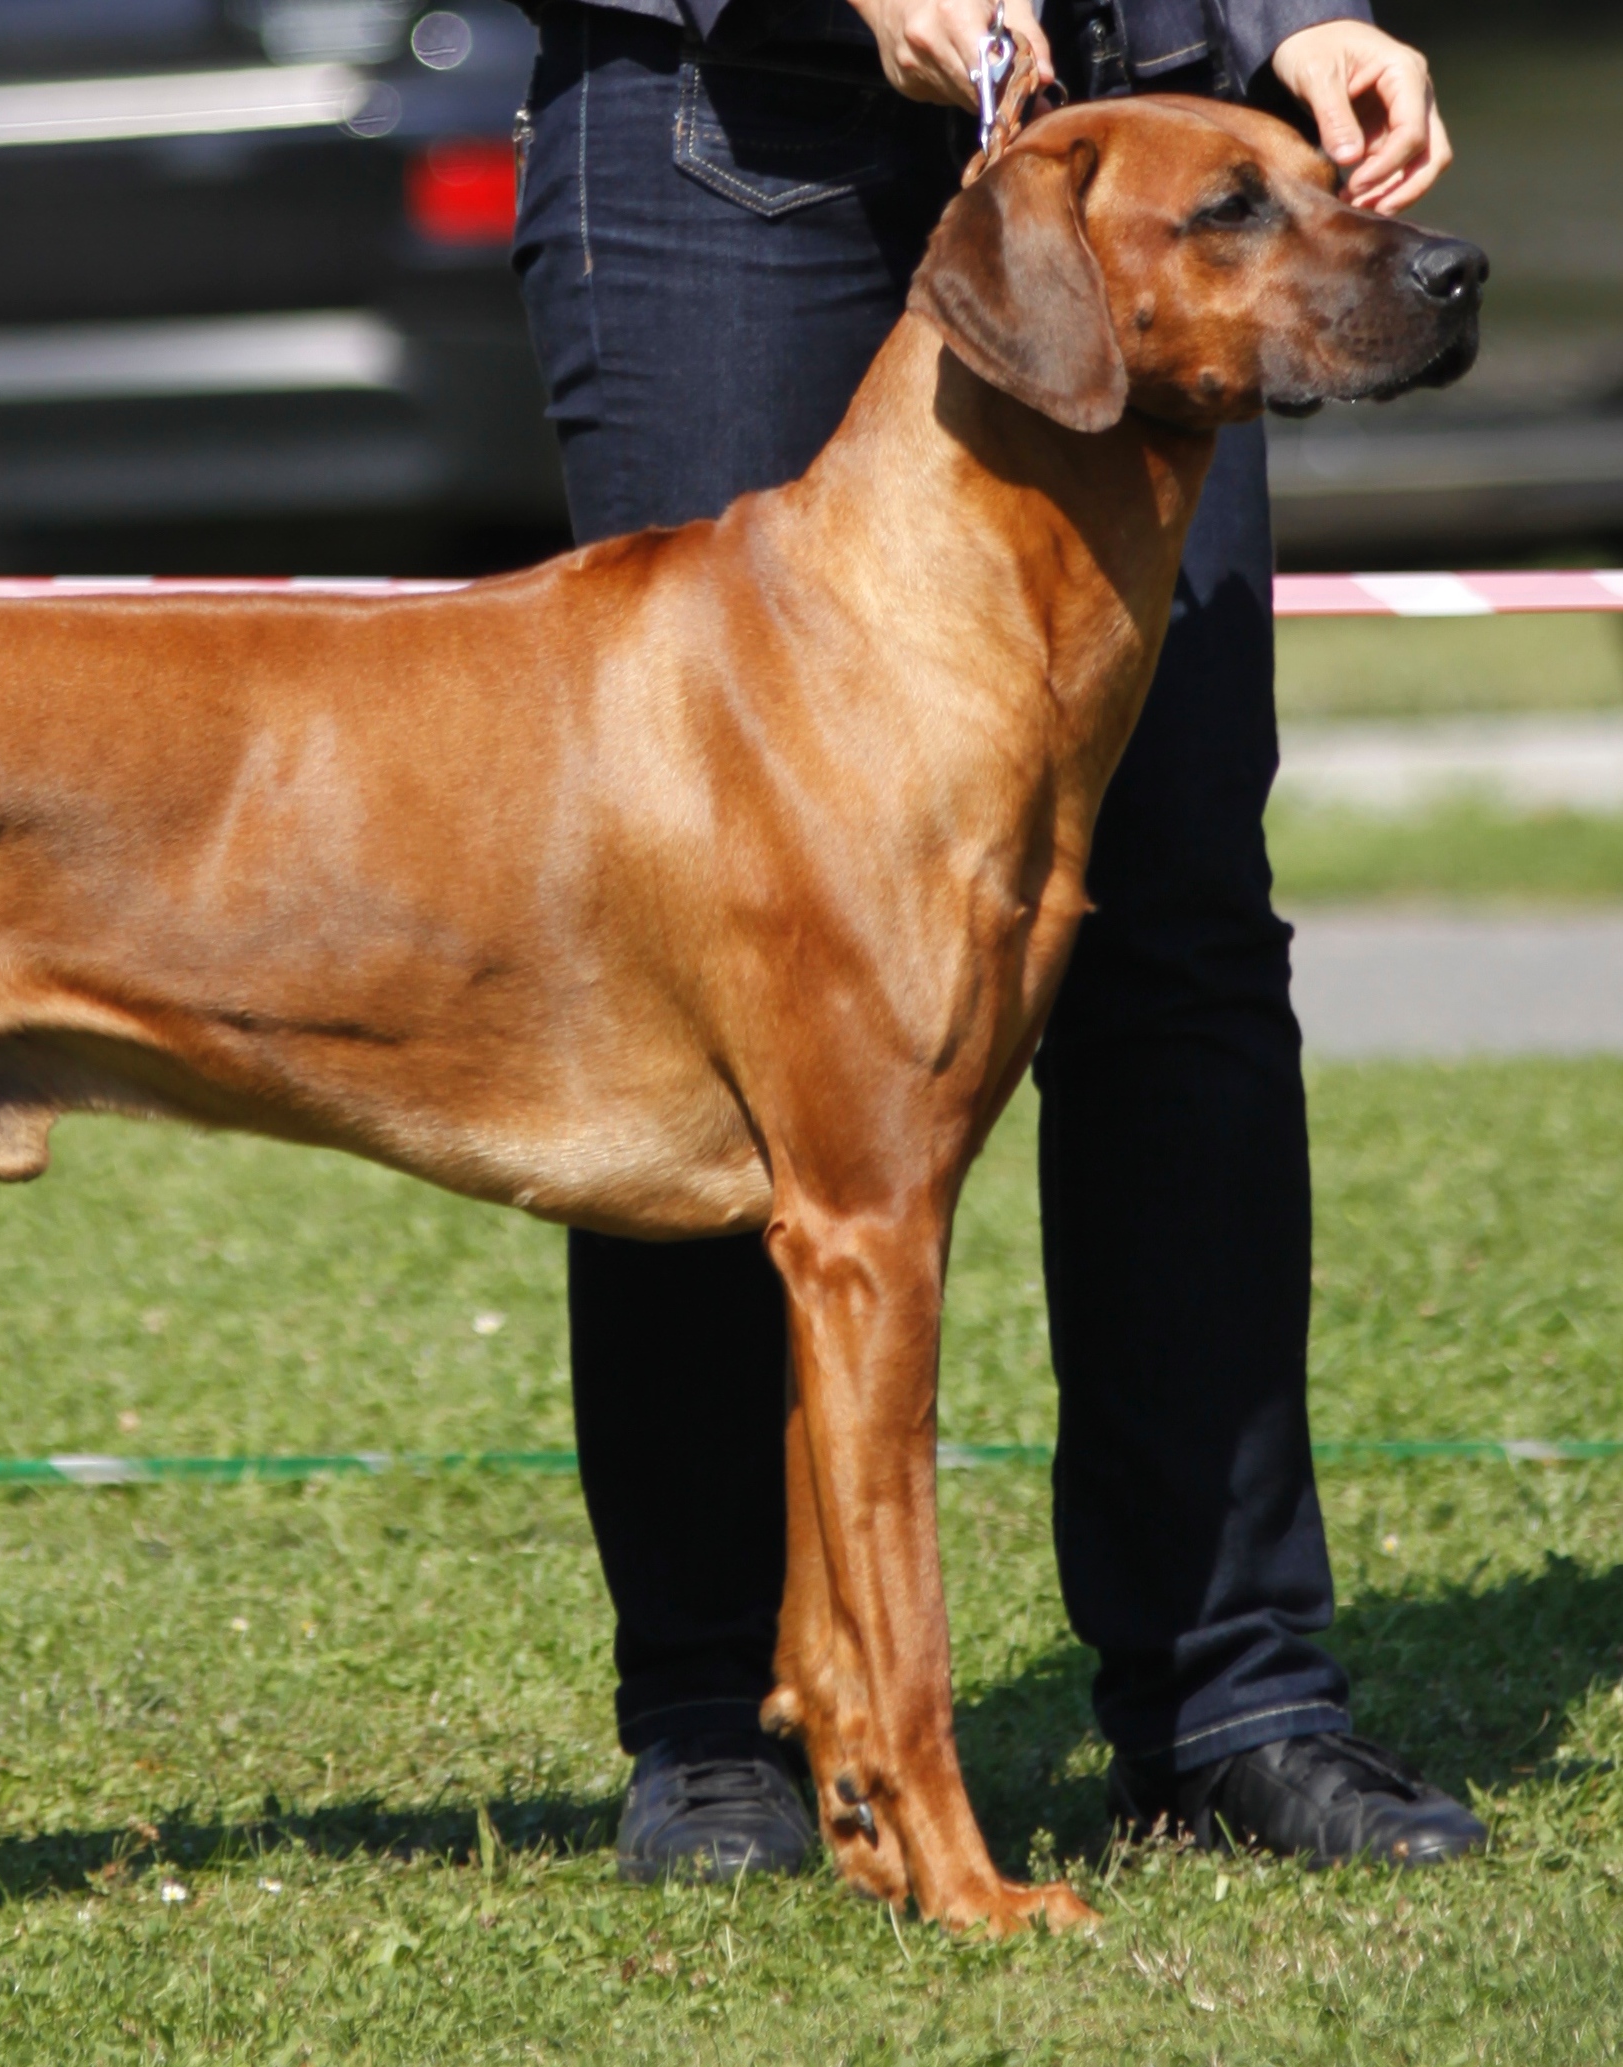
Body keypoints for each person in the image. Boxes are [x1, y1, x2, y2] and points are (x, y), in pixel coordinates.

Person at [508, 0, 1492, 1880]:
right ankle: (721, 1724)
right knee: (705, 927)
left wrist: (1304, 17)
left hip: (1153, 107)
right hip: (728, 130)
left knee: (1182, 930)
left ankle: (1236, 1699)